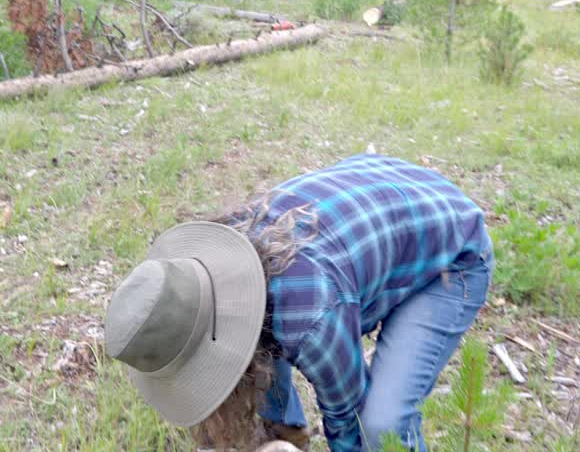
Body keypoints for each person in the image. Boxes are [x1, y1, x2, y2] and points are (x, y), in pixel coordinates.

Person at [103, 153, 493, 451]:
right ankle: (286, 433)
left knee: (381, 425)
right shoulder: (217, 265)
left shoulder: (310, 320)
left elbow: (349, 421)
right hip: (380, 196)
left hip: (451, 248)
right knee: (257, 340)